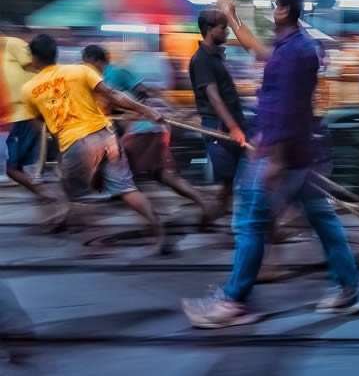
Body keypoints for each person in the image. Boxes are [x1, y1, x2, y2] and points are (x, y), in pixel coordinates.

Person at [182, 0, 359, 328]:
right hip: (298, 153)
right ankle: (350, 286)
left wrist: (278, 161)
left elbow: (287, 109)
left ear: (284, 10)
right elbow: (254, 48)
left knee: (252, 223)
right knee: (322, 219)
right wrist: (231, 14)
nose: (271, 12)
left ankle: (233, 301)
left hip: (281, 154)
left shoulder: (293, 53)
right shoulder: (292, 46)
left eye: (274, 6)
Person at [21, 34, 171, 253]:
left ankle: (99, 241)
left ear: (34, 57)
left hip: (75, 144)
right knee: (127, 190)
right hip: (106, 137)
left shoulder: (29, 90)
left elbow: (40, 127)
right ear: (55, 53)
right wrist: (146, 111)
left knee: (78, 197)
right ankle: (159, 232)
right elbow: (112, 95)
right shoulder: (79, 71)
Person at [82, 45, 212, 225]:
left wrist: (146, 111)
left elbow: (144, 92)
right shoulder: (100, 79)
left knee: (119, 177)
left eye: (86, 62)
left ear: (93, 59)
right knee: (163, 175)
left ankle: (154, 223)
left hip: (143, 129)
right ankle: (203, 204)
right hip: (145, 129)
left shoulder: (115, 73)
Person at [189, 9, 248, 214]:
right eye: (223, 28)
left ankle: (212, 217)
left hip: (229, 124)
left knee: (230, 182)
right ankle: (214, 215)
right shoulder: (201, 60)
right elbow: (214, 98)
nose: (227, 33)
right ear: (209, 29)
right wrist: (232, 127)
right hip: (218, 127)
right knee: (230, 179)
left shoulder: (215, 57)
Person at [0, 32, 52, 202]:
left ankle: (51, 197)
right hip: (14, 117)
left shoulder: (12, 44)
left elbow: (39, 65)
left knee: (13, 169)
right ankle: (49, 197)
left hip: (24, 114)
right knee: (16, 168)